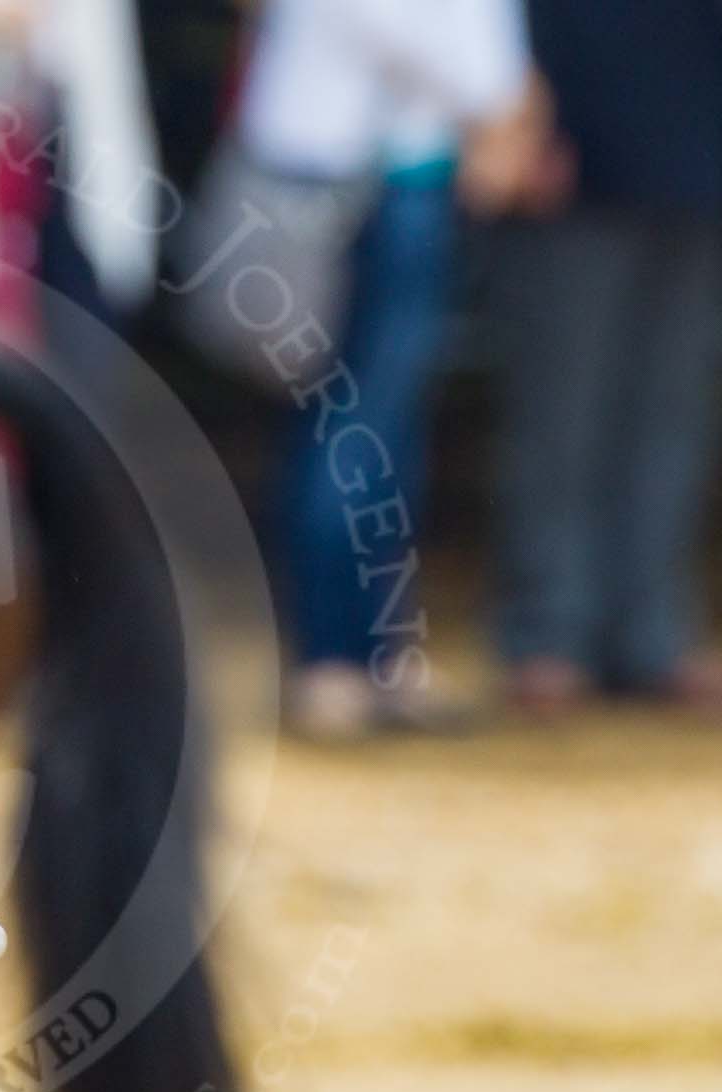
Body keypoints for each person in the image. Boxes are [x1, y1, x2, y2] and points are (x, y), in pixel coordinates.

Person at [231, 0, 547, 738]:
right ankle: (332, 657)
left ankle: (380, 652)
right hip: (361, 180)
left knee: (384, 426)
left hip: (399, 170)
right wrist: (503, 100)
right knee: (348, 423)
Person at [490, 0, 722, 718]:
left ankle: (654, 637)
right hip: (568, 156)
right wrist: (522, 121)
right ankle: (549, 634)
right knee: (562, 416)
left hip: (698, 153)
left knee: (672, 418)